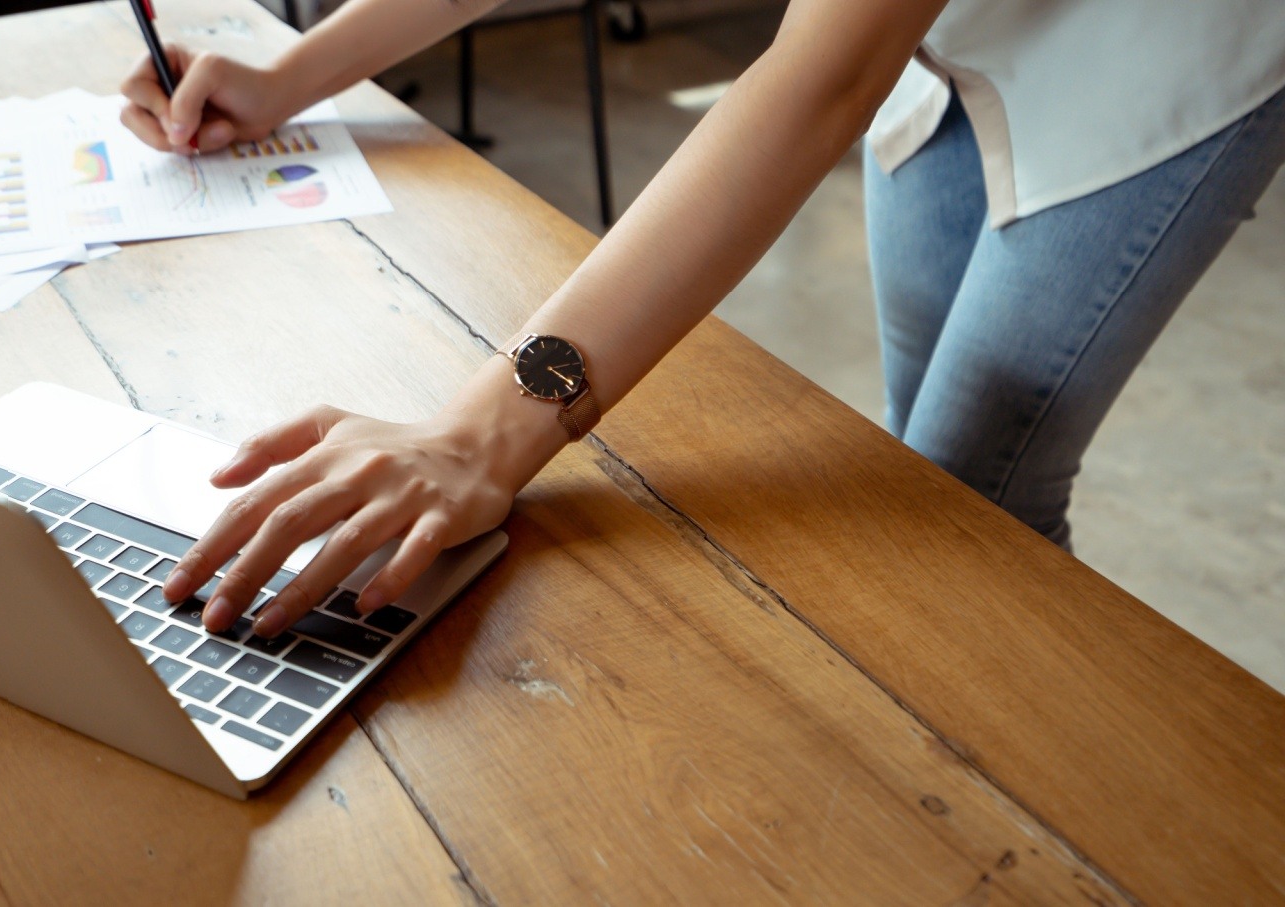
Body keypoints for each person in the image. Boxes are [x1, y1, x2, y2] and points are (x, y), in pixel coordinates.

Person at [118, 0, 1285, 639]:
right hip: (949, 21)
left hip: (1158, 32)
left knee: (980, 486)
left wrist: (484, 432)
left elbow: (819, 78)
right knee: (919, 479)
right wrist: (293, 77)